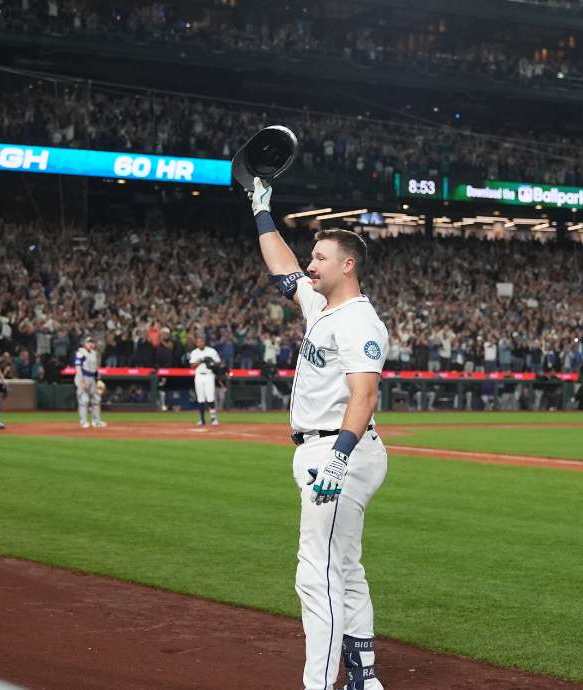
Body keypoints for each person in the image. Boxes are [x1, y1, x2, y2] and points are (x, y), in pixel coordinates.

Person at [250, 176, 389, 690]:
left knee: (316, 574)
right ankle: (363, 677)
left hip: (338, 447)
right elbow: (283, 268)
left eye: (321, 258)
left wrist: (338, 457)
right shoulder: (320, 305)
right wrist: (262, 211)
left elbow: (365, 395)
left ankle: (319, 685)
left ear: (347, 265)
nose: (311, 264)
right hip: (329, 446)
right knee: (344, 567)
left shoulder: (358, 322)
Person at [188, 333, 222, 426]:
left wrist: (211, 362)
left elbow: (218, 362)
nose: (200, 343)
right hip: (199, 376)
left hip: (209, 375)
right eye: (198, 342)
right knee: (200, 398)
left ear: (204, 342)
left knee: (210, 397)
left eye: (201, 341)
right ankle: (202, 419)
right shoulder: (194, 352)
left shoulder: (211, 351)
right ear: (196, 343)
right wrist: (201, 360)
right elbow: (192, 365)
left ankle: (213, 418)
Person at [74, 336, 106, 428]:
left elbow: (95, 368)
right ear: (84, 343)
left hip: (92, 378)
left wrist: (98, 378)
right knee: (84, 400)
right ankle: (83, 421)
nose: (91, 344)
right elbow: (78, 368)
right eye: (89, 342)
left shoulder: (94, 353)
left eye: (92, 342)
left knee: (96, 399)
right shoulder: (80, 353)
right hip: (83, 377)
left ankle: (96, 421)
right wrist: (82, 381)